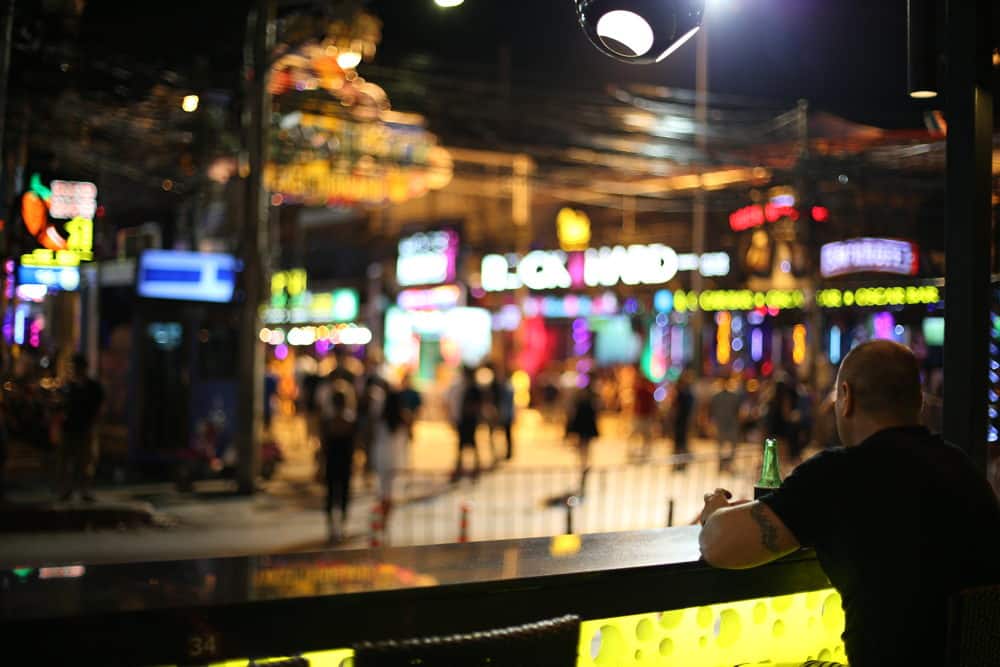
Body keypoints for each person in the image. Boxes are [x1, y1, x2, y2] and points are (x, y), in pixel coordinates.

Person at [698, 341, 1000, 667]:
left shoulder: (839, 475)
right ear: (919, 402)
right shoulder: (962, 469)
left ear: (846, 397)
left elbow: (718, 545)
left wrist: (717, 509)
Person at [314, 374, 358, 542]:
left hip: (332, 463)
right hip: (344, 463)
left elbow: (323, 445)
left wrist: (319, 464)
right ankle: (340, 526)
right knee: (342, 494)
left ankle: (333, 527)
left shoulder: (328, 421)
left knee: (332, 494)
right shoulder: (349, 421)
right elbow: (354, 445)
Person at [57, 354, 105, 502]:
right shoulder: (68, 387)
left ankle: (84, 490)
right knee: (68, 460)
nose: (75, 370)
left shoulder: (93, 387)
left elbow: (98, 407)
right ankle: (68, 490)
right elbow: (61, 406)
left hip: (85, 428)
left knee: (85, 461)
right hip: (70, 428)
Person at [565, 379, 599, 495]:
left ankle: (584, 462)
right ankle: (584, 462)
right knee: (584, 445)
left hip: (585, 426)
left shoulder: (584, 398)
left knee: (584, 445)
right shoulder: (588, 398)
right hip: (584, 426)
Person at [450, 366, 483, 482]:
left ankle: (474, 469)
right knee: (462, 446)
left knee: (470, 445)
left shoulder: (473, 388)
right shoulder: (465, 387)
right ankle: (462, 468)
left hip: (469, 422)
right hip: (464, 421)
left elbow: (478, 405)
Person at [708, 374, 743, 472]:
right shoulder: (733, 396)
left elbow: (711, 411)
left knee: (722, 445)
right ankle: (726, 464)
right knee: (730, 445)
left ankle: (724, 464)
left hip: (724, 423)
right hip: (727, 423)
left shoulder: (718, 397)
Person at [629, 373, 657, 462]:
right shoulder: (641, 390)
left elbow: (651, 404)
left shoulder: (646, 391)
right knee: (637, 434)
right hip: (640, 415)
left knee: (645, 435)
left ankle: (644, 450)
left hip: (644, 416)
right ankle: (634, 449)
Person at [670, 370, 694, 468]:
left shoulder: (683, 394)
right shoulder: (685, 393)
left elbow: (677, 408)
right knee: (680, 443)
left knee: (680, 444)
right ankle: (679, 463)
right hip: (681, 422)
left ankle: (680, 463)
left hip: (682, 422)